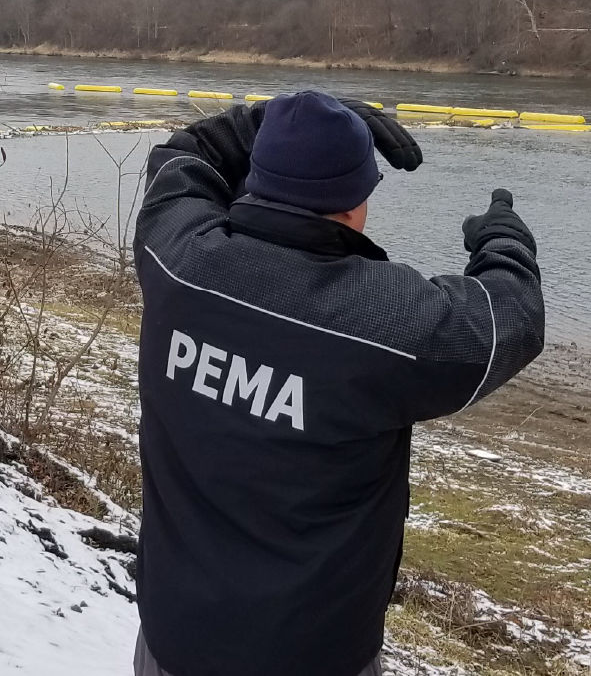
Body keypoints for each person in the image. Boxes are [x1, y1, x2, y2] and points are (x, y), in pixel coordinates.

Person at [132, 90, 544, 676]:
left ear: (256, 176)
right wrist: (503, 240)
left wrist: (281, 118)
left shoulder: (176, 257)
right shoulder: (386, 323)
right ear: (357, 202)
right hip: (311, 654)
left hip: (172, 636)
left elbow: (187, 153)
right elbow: (511, 322)